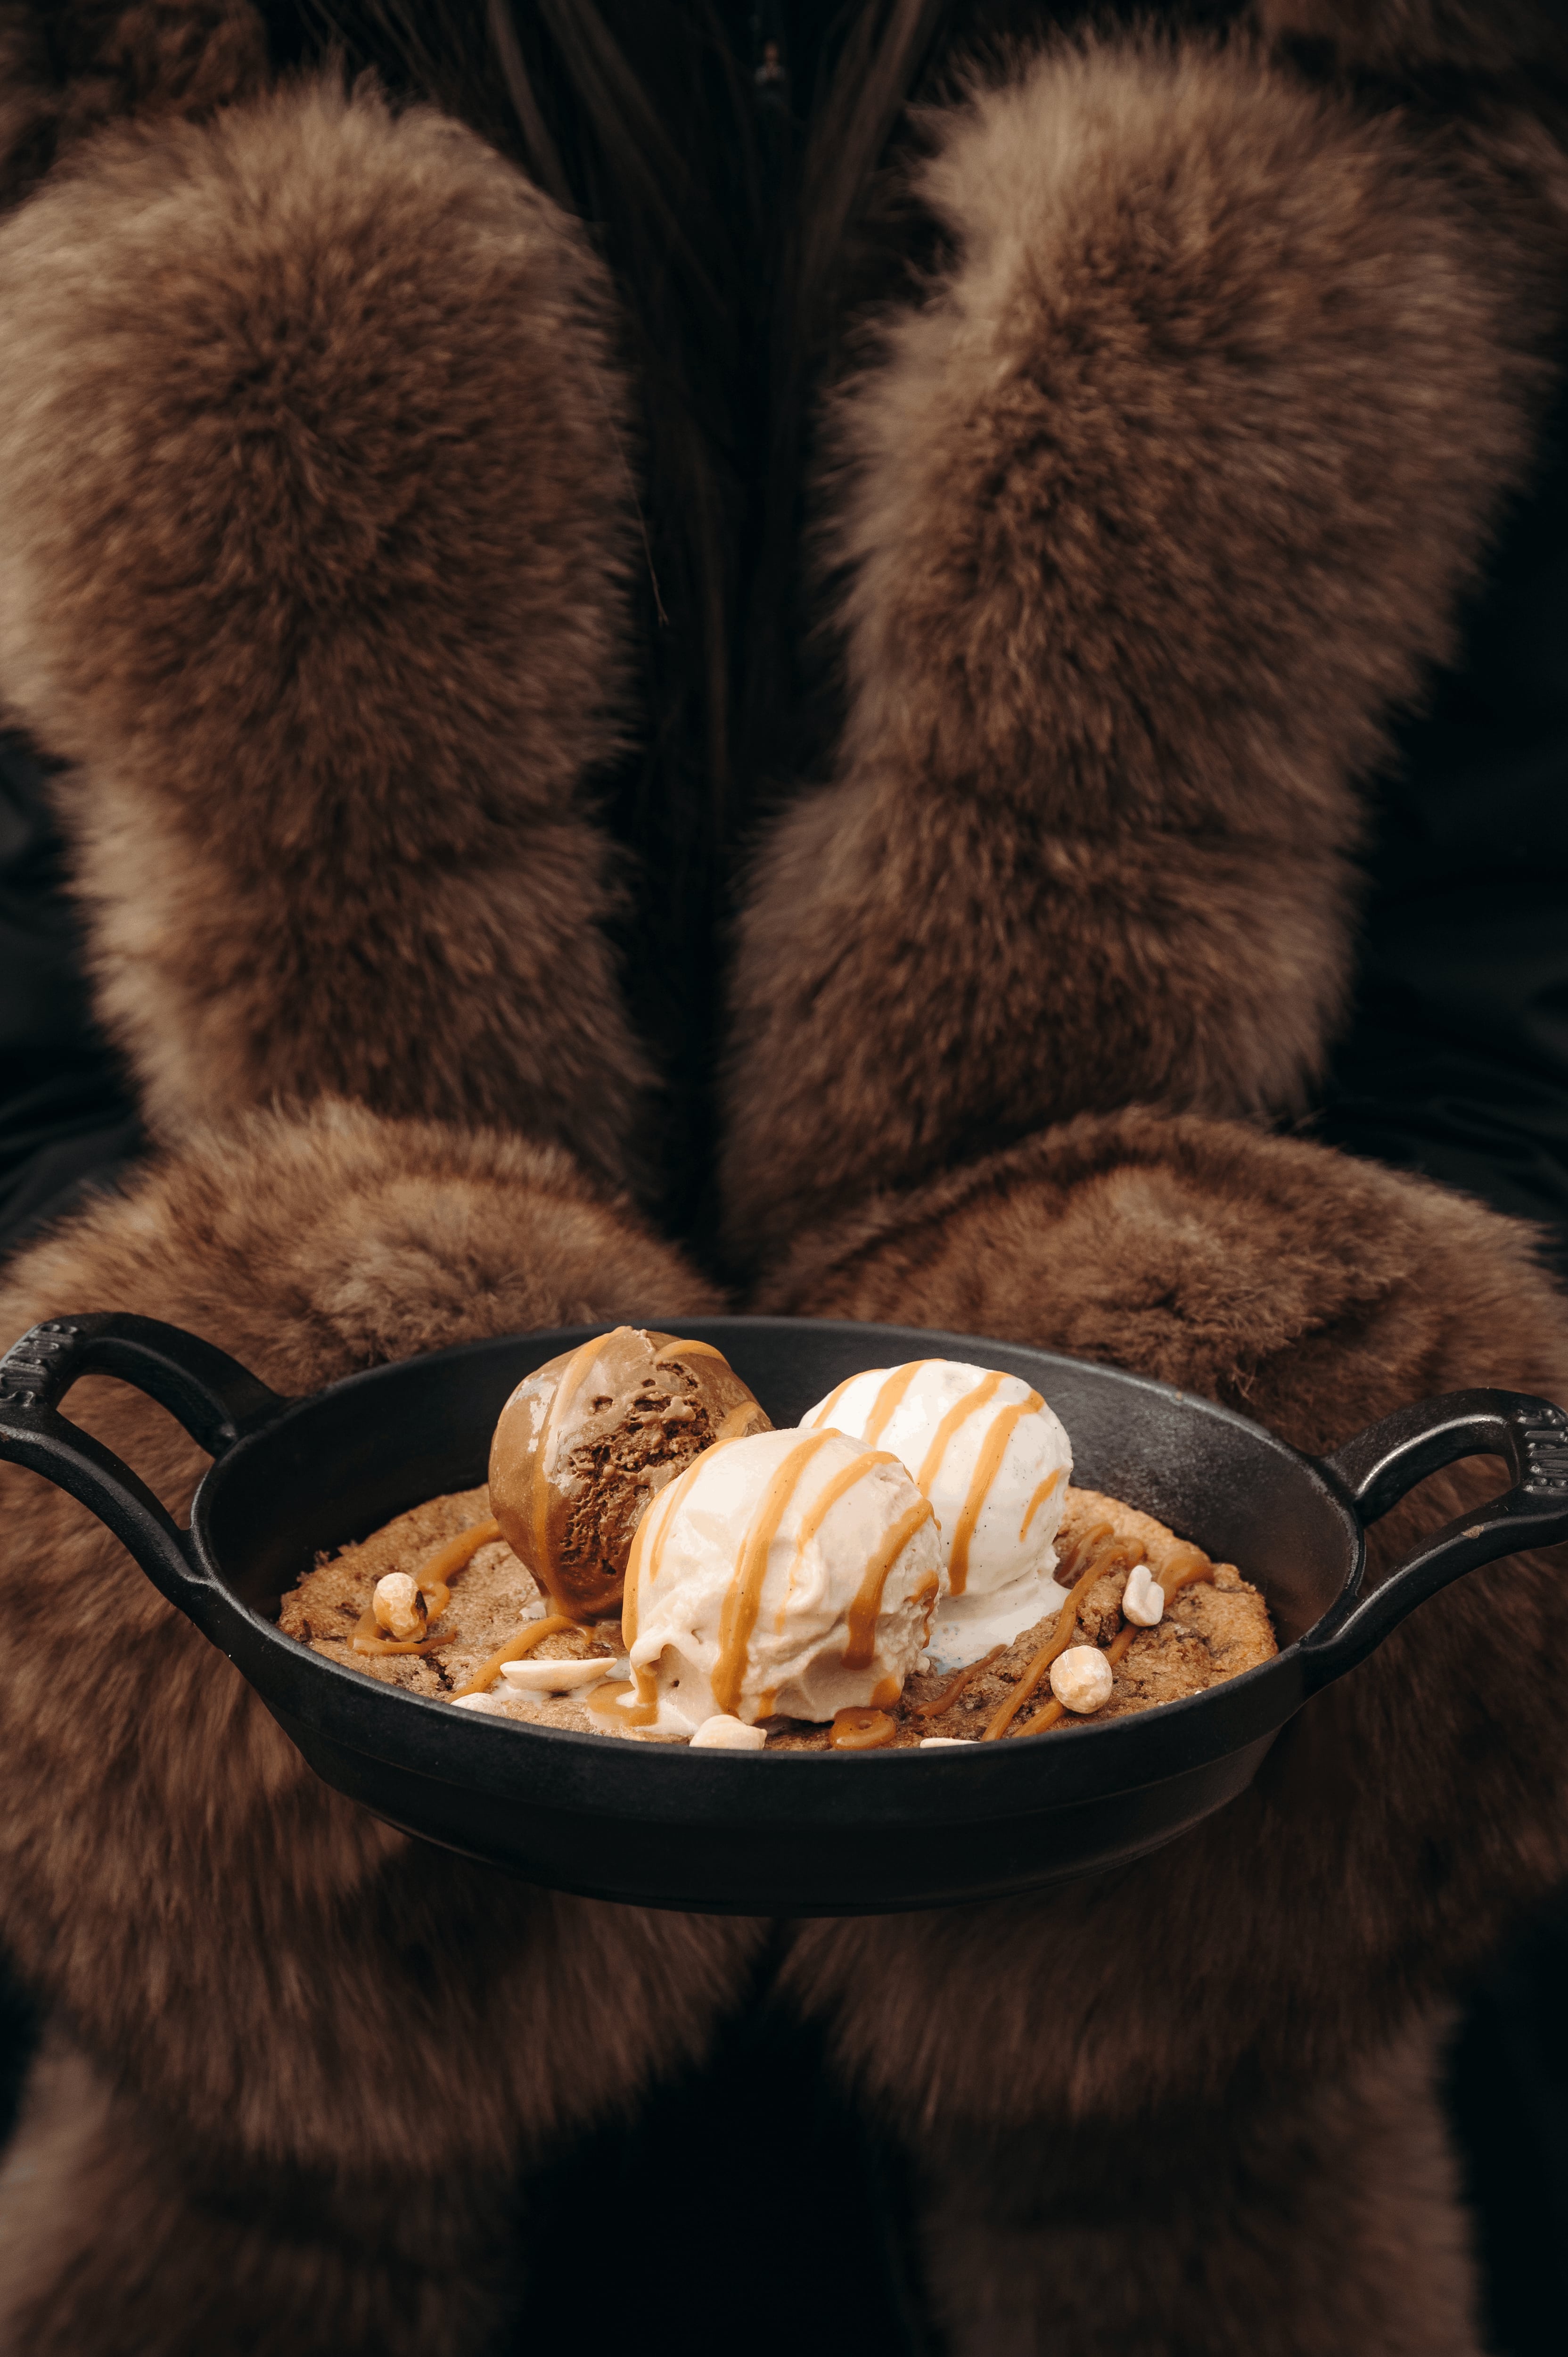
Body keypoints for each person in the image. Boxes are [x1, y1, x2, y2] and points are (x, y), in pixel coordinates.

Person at [0, 3, 1566, 2351]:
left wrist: (1209, 1442)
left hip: (1161, 1918)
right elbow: (26, 1057)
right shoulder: (103, 67)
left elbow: (1507, 1013)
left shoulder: (1393, 63)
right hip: (336, 1925)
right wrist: (282, 1420)